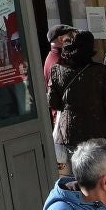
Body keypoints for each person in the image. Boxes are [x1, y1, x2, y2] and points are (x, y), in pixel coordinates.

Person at [47, 30, 106, 155]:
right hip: (99, 129)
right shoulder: (100, 71)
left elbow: (53, 103)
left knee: (78, 168)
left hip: (70, 132)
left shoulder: (55, 70)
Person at [43, 24, 76, 173]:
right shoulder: (58, 61)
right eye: (71, 35)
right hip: (64, 121)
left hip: (61, 120)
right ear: (62, 39)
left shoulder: (53, 58)